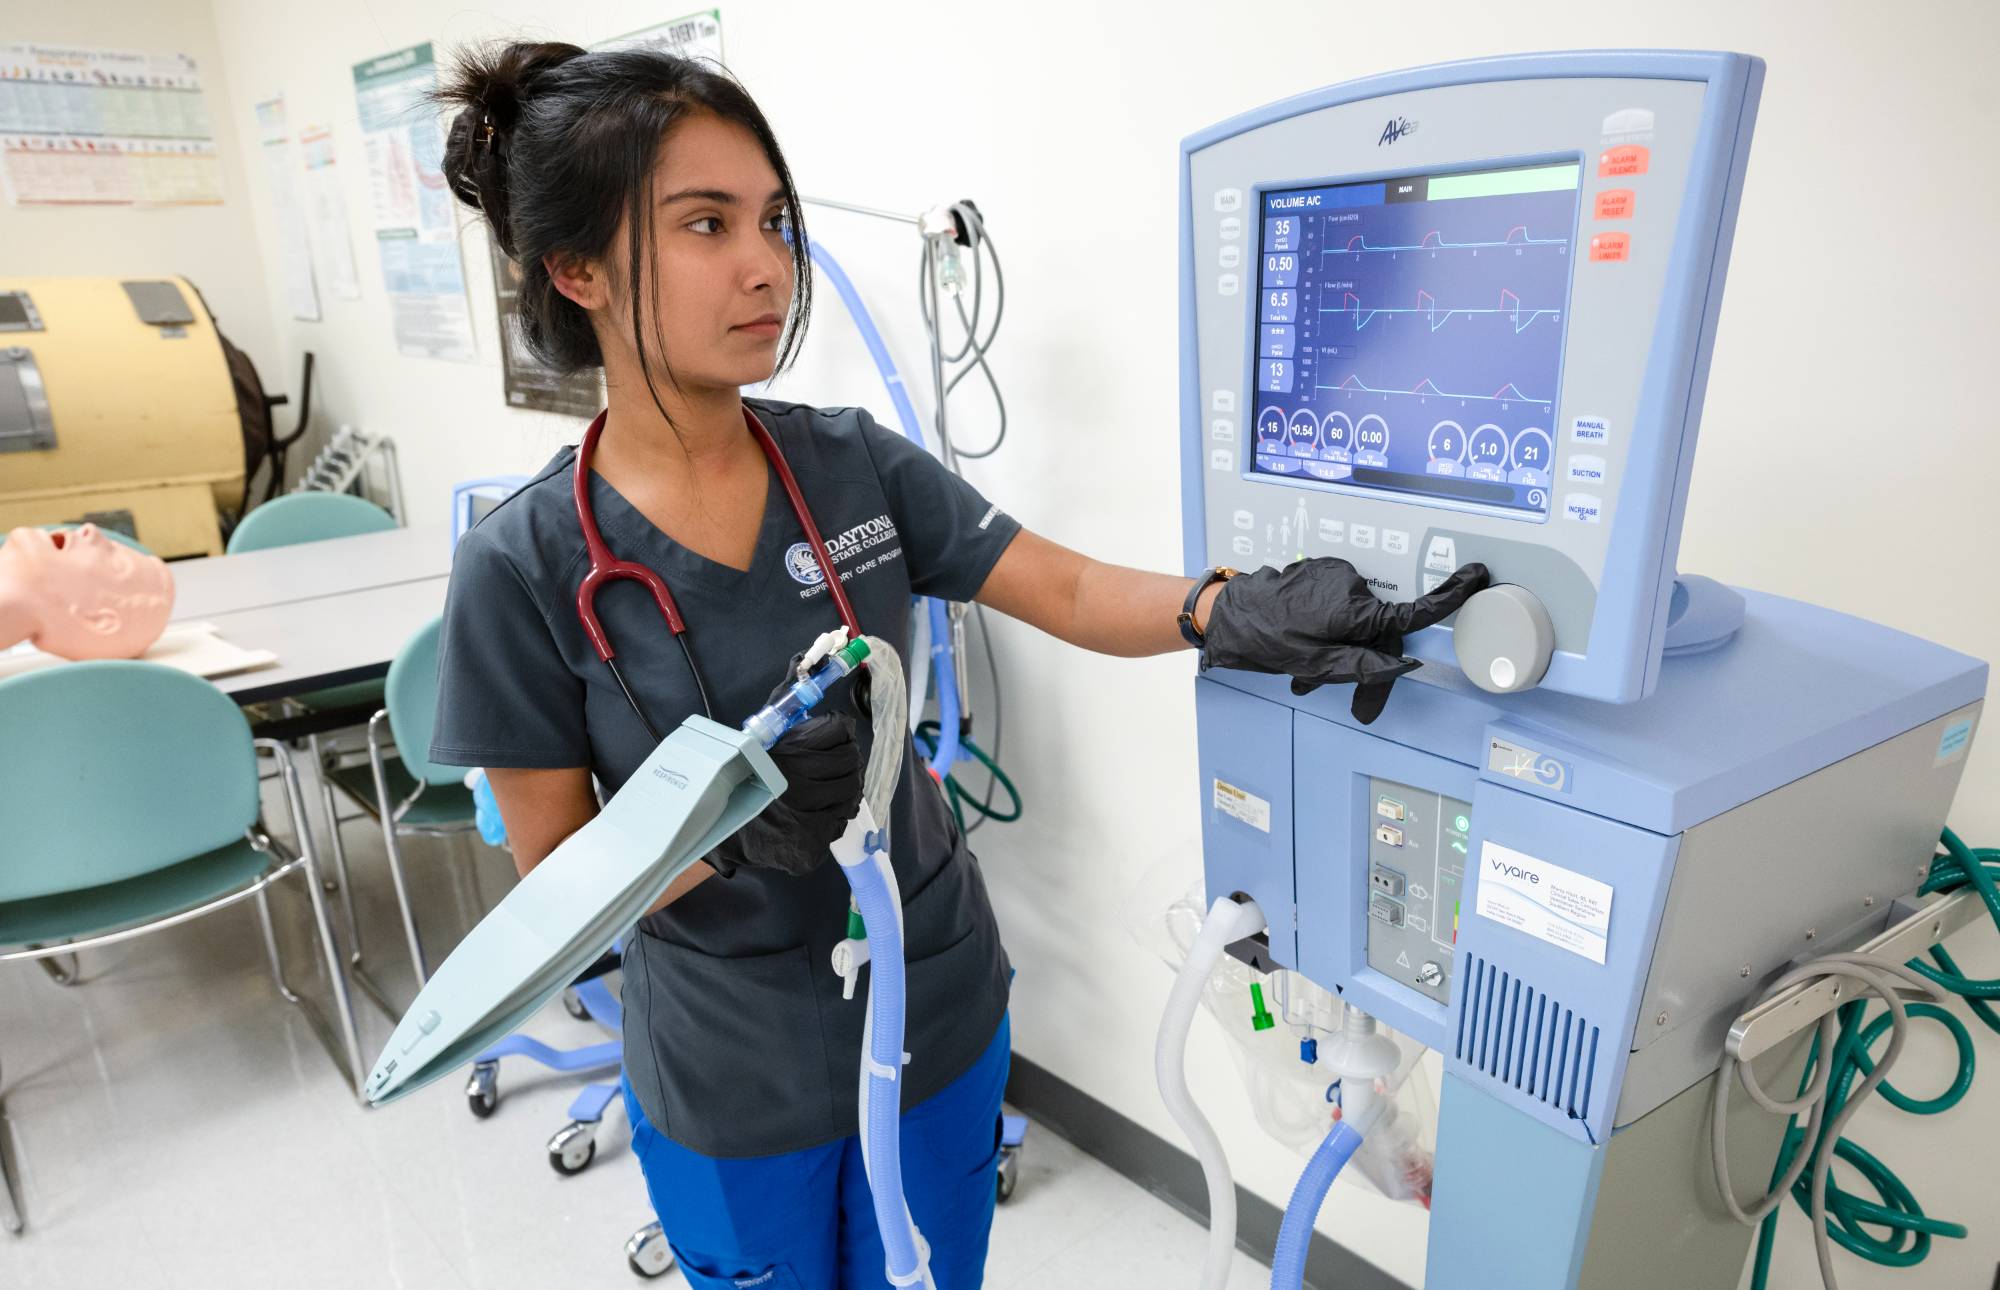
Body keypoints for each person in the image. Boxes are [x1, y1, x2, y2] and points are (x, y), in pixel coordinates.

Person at [427, 41, 1485, 1290]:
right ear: (575, 268)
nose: (767, 263)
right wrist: (739, 838)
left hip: (930, 994)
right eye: (704, 224)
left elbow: (1072, 588)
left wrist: (1227, 609)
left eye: (772, 218)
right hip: (730, 1061)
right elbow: (551, 884)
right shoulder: (525, 564)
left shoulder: (847, 464)